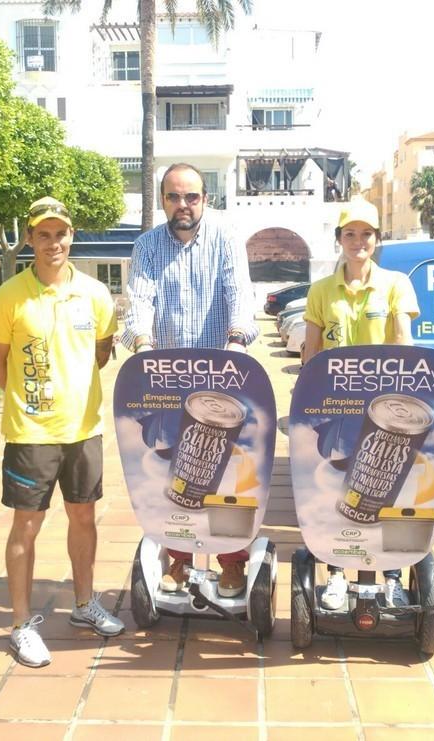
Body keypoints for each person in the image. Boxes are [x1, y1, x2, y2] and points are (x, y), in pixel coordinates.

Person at [0, 196, 124, 668]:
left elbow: (102, 351)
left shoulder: (96, 294)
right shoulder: (9, 296)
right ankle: (21, 624)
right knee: (27, 524)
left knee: (84, 518)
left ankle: (84, 605)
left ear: (71, 236)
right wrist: (30, 399)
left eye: (60, 233)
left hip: (84, 430)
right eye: (42, 234)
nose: (52, 243)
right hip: (30, 434)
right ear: (29, 239)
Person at [121, 162, 259, 598]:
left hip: (222, 376)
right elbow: (139, 299)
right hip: (168, 379)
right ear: (163, 200)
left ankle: (232, 561)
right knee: (172, 473)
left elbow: (239, 292)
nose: (183, 205)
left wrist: (237, 340)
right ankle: (178, 560)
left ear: (205, 199)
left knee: (228, 473)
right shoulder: (146, 247)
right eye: (174, 197)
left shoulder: (225, 238)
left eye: (192, 197)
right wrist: (142, 345)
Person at [301, 199, 420, 611]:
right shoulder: (320, 291)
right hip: (337, 410)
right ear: (339, 240)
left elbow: (403, 340)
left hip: (386, 413)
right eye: (349, 234)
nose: (358, 241)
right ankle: (335, 574)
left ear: (377, 239)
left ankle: (391, 578)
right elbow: (311, 354)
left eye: (366, 234)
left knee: (386, 489)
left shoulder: (395, 284)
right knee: (338, 490)